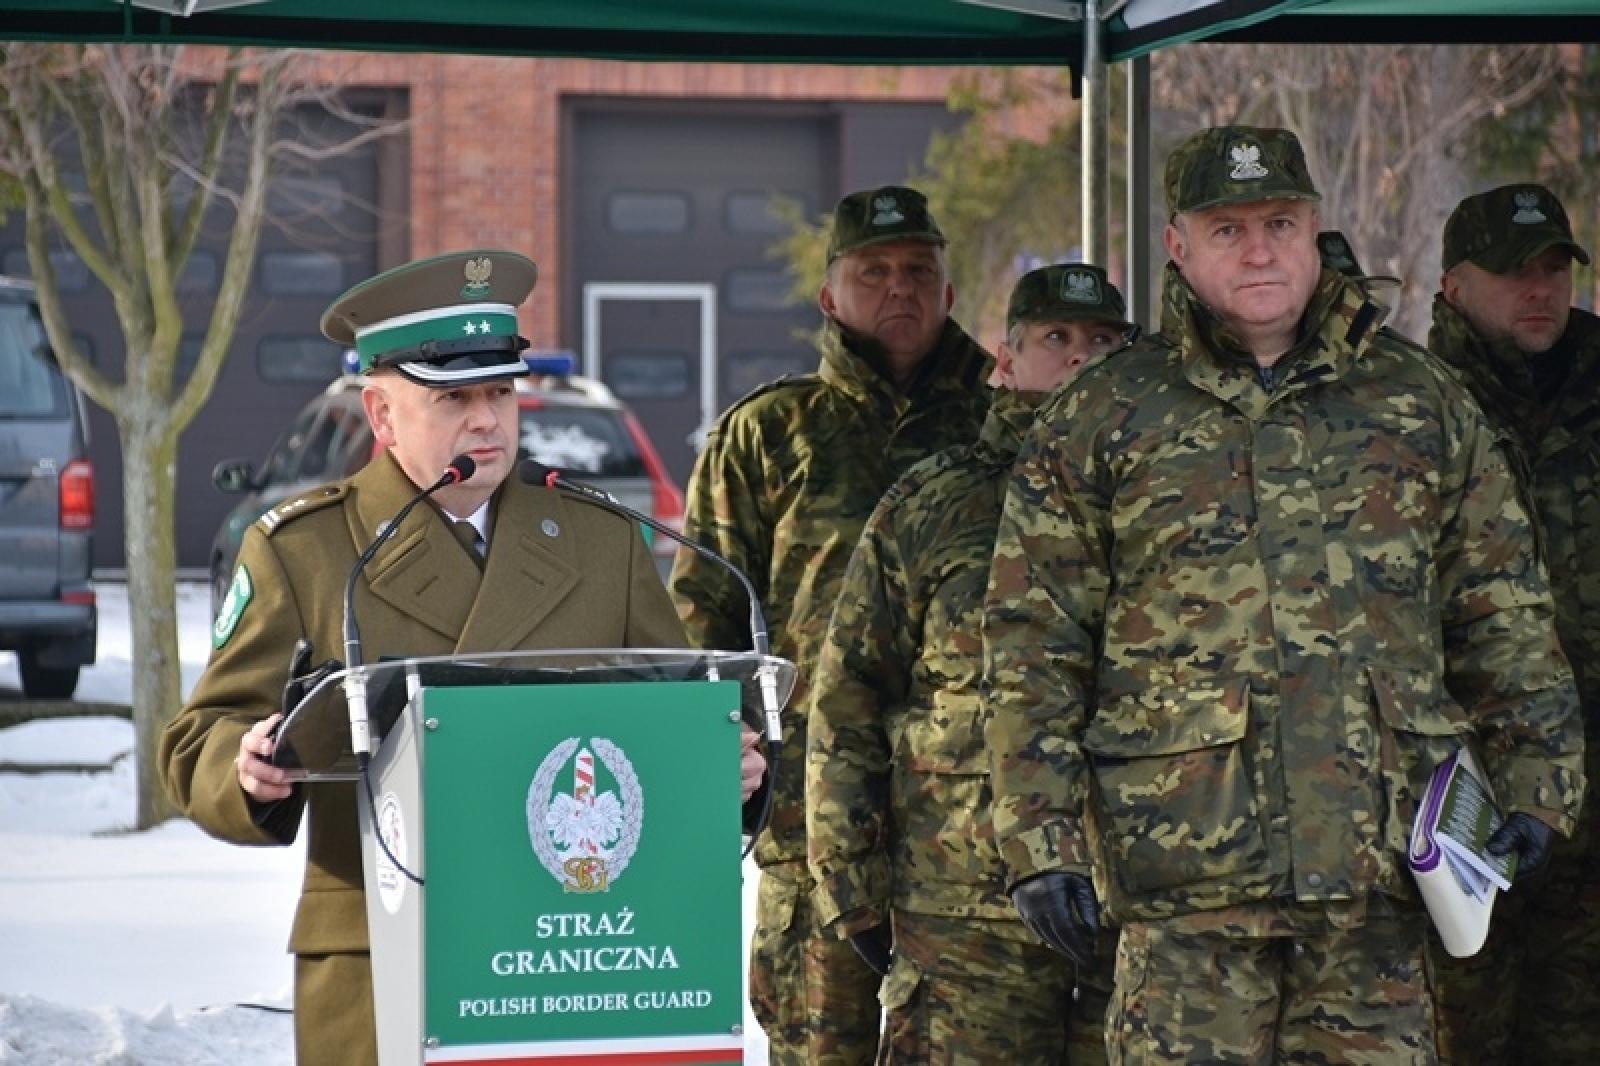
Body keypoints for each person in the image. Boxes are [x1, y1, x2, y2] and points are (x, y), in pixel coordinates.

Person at [981, 127, 1585, 1064]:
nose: (1259, 249)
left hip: (1380, 884)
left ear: (1314, 232)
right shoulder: (1104, 414)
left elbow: (1500, 604)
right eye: (1228, 230)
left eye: (1279, 222)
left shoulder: (1416, 401)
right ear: (1178, 246)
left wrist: (1541, 782)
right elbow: (1033, 642)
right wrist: (1039, 836)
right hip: (1187, 890)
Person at [160, 249, 764, 1066]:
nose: (487, 420)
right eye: (454, 398)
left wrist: (720, 764)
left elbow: (674, 716)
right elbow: (202, 737)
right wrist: (247, 768)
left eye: (500, 392)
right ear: (381, 415)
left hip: (574, 956)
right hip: (385, 952)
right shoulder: (305, 550)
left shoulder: (604, 540)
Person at [670, 185, 992, 1063]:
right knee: (818, 1049)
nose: (900, 290)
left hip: (963, 824)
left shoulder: (1000, 427)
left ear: (950, 294)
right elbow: (705, 622)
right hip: (807, 824)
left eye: (920, 272)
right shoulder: (770, 434)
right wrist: (729, 758)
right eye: (874, 272)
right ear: (830, 295)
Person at [806, 263, 1130, 1063]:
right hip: (963, 911)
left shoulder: (1171, 497)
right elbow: (848, 700)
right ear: (1006, 360)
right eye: (1057, 338)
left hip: (1133, 903)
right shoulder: (933, 505)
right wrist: (852, 890)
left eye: (1102, 341)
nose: (1081, 357)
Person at [1427, 183, 1600, 1065]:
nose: (1540, 290)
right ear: (1454, 286)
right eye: (1513, 273)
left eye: (1553, 269)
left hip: (1590, 797)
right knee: (1464, 1030)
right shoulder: (1415, 411)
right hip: (1462, 801)